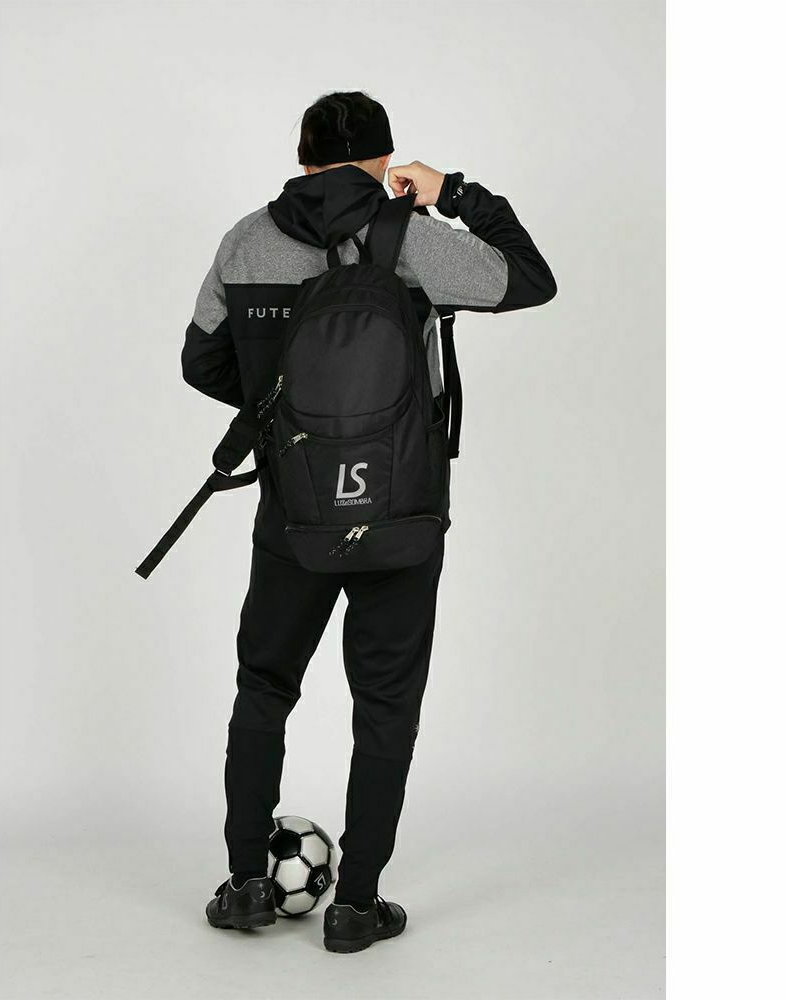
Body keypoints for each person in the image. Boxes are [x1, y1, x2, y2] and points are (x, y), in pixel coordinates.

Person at [182, 91, 556, 953]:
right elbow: (531, 280)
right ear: (386, 162)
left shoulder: (247, 241)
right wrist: (452, 192)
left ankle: (245, 886)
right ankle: (355, 906)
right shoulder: (412, 237)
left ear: (302, 158)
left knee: (264, 689)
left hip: (294, 515)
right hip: (403, 514)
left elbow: (202, 361)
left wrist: (287, 420)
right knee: (385, 707)